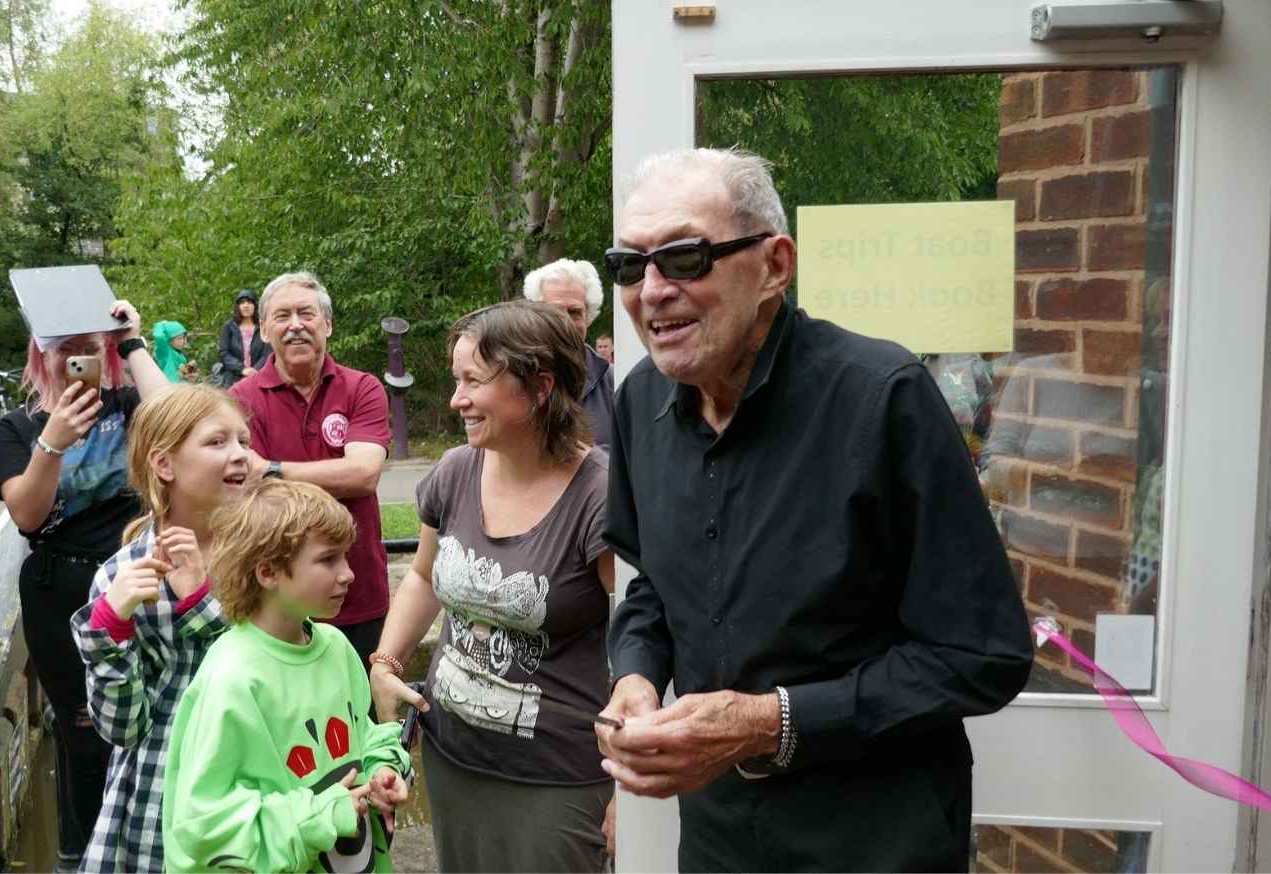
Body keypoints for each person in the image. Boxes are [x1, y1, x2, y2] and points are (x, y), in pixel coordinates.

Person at [595, 148, 1034, 871]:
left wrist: (766, 722)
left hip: (873, 843)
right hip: (719, 840)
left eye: (683, 258)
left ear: (773, 265)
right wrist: (635, 677)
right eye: (629, 265)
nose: (650, 292)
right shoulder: (639, 399)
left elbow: (981, 657)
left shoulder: (880, 397)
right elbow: (653, 588)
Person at [370, 300, 615, 872]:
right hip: (454, 758)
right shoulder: (456, 470)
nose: (456, 400)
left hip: (558, 778)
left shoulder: (600, 495)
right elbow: (425, 577)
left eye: (473, 381)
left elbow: (641, 635)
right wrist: (385, 662)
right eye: (457, 380)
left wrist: (628, 789)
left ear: (539, 388)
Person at [0, 302, 170, 872]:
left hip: (141, 575)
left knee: (155, 717)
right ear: (39, 353)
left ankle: (157, 847)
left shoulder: (131, 407)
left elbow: (181, 416)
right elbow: (26, 514)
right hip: (61, 587)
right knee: (82, 733)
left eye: (87, 345)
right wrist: (54, 440)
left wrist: (134, 342)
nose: (75, 357)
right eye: (61, 346)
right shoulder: (18, 426)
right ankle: (81, 856)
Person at [163, 480, 414, 873]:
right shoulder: (232, 679)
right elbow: (203, 824)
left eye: (345, 557)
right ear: (268, 572)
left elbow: (359, 737)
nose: (348, 573)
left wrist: (382, 770)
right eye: (328, 559)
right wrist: (322, 816)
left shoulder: (335, 646)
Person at [69, 384, 252, 872]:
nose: (239, 455)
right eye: (217, 442)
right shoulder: (121, 575)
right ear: (165, 464)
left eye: (244, 442)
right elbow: (122, 728)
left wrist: (199, 600)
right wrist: (110, 629)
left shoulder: (265, 558)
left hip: (259, 779)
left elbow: (265, 671)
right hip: (164, 791)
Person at [227, 272, 392, 664]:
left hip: (359, 590)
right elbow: (252, 496)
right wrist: (334, 474)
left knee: (362, 718)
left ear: (328, 324)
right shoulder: (239, 399)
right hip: (278, 603)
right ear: (263, 329)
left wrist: (269, 469)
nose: (296, 325)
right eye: (282, 316)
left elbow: (364, 475)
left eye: (307, 313)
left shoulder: (362, 387)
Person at [523, 258, 615, 447]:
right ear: (535, 316)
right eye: (555, 312)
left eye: (574, 312)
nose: (565, 322)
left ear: (588, 317)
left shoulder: (614, 382)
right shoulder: (516, 376)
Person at [218, 289, 270, 381]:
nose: (246, 305)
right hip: (233, 378)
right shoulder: (229, 326)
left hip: (259, 376)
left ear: (255, 305)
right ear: (238, 306)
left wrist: (254, 370)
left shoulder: (263, 326)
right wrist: (242, 369)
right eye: (242, 303)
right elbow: (224, 353)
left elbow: (267, 353)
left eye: (249, 302)